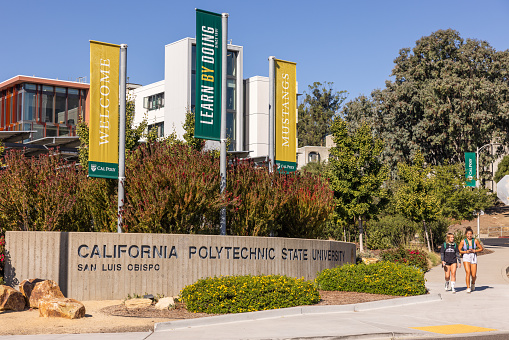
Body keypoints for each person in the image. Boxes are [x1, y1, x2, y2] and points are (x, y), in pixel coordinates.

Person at [459, 226, 483, 293]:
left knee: (473, 275)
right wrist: (466, 251)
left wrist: (474, 251)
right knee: (468, 272)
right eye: (468, 234)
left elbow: (481, 248)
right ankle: (468, 287)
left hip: (473, 256)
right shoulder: (463, 241)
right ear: (466, 234)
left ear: (472, 234)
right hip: (466, 256)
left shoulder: (475, 241)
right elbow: (459, 250)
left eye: (470, 234)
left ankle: (473, 283)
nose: (469, 235)